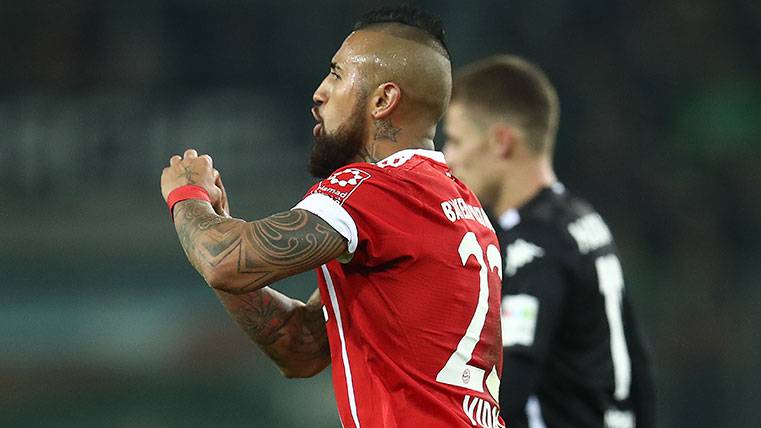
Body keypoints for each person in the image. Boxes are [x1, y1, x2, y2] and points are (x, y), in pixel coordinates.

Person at [160, 7, 505, 428]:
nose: (319, 93)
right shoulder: (453, 201)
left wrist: (187, 194)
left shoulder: (377, 189)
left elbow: (224, 260)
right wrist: (220, 225)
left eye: (337, 75)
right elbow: (301, 348)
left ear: (383, 100)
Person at [443, 55, 655, 428]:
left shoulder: (533, 246)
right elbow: (639, 365)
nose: (448, 157)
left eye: (457, 140)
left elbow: (506, 387)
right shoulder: (584, 221)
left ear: (501, 142)